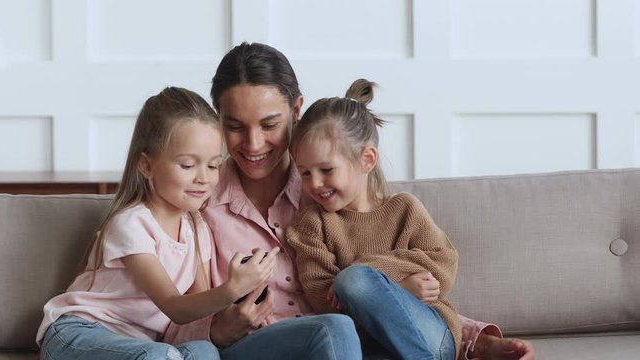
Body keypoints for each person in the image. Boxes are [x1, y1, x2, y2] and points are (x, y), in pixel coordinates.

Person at [166, 42, 535, 360]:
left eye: (269, 124)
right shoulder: (195, 205)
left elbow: (395, 293)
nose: (253, 144)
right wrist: (218, 330)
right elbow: (163, 322)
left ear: (296, 110)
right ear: (218, 121)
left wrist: (474, 342)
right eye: (234, 126)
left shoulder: (335, 189)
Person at [36, 86, 280, 360]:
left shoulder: (197, 229)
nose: (203, 178)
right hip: (78, 334)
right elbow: (175, 307)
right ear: (147, 166)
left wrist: (242, 311)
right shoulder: (131, 224)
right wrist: (231, 288)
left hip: (146, 347)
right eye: (188, 165)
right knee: (160, 356)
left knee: (203, 351)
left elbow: (194, 315)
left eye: (213, 166)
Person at [286, 78, 460, 359]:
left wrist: (367, 273)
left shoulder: (404, 208)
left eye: (326, 169)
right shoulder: (311, 225)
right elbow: (324, 300)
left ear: (366, 159)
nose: (315, 183)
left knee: (351, 281)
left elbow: (442, 265)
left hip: (431, 336)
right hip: (371, 347)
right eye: (305, 173)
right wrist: (401, 287)